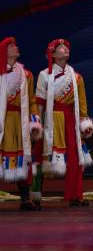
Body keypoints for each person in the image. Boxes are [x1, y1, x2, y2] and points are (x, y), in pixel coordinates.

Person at [33, 38, 93, 208]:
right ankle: (35, 195)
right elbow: (40, 103)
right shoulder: (44, 75)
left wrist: (84, 123)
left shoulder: (76, 77)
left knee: (75, 157)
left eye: (66, 47)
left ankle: (75, 195)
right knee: (40, 156)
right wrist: (37, 124)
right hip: (50, 119)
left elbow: (82, 104)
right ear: (52, 54)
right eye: (61, 47)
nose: (66, 49)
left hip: (70, 120)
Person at [0, 37, 42, 210]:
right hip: (2, 121)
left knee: (23, 158)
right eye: (11, 46)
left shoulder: (26, 75)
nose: (16, 47)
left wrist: (34, 121)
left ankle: (25, 199)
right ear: (4, 51)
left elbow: (32, 101)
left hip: (19, 121)